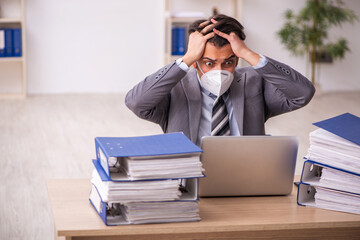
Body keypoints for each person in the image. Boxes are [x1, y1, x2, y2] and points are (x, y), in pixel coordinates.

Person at [125, 14, 315, 146]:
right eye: (209, 63)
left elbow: (303, 94)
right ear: (195, 62)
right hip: (189, 179)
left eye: (228, 62)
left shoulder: (254, 82)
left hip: (244, 177)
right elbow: (136, 102)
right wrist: (186, 58)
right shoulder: (175, 86)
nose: (219, 70)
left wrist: (249, 54)